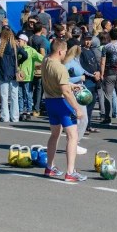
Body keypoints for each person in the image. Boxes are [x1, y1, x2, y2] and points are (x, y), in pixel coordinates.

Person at [41, 39, 86, 182]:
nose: (66, 54)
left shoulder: (46, 61)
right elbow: (65, 92)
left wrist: (70, 84)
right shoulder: (61, 68)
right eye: (65, 51)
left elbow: (59, 82)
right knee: (72, 136)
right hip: (61, 103)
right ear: (60, 51)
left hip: (49, 102)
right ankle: (70, 172)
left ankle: (49, 167)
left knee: (54, 135)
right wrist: (77, 109)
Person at [63, 45, 91, 154]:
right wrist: (80, 78)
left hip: (80, 89)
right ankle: (73, 143)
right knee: (80, 119)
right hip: (73, 90)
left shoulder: (76, 60)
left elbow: (85, 72)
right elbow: (65, 79)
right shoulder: (67, 63)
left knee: (82, 119)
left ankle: (74, 143)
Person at [0, 28, 27, 123]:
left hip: (3, 73)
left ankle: (5, 117)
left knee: (4, 96)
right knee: (14, 96)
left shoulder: (0, 47)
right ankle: (15, 117)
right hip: (13, 72)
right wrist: (18, 62)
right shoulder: (15, 47)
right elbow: (25, 55)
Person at [100, 28, 117, 125]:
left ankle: (108, 118)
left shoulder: (105, 47)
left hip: (109, 72)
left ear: (109, 36)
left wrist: (102, 73)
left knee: (108, 95)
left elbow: (103, 62)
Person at [16, 34, 44, 121]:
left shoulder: (31, 50)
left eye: (19, 40)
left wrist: (49, 60)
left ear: (24, 41)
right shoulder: (17, 49)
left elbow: (41, 58)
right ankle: (21, 111)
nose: (18, 41)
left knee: (28, 94)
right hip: (19, 75)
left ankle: (28, 111)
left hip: (28, 76)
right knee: (20, 95)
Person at [80, 32, 101, 134]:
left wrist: (98, 72)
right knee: (85, 106)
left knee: (91, 106)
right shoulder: (81, 51)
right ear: (83, 39)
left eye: (89, 39)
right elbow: (82, 67)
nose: (88, 41)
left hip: (93, 83)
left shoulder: (91, 51)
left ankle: (89, 126)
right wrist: (93, 74)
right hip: (87, 82)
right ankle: (83, 127)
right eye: (86, 39)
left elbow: (96, 64)